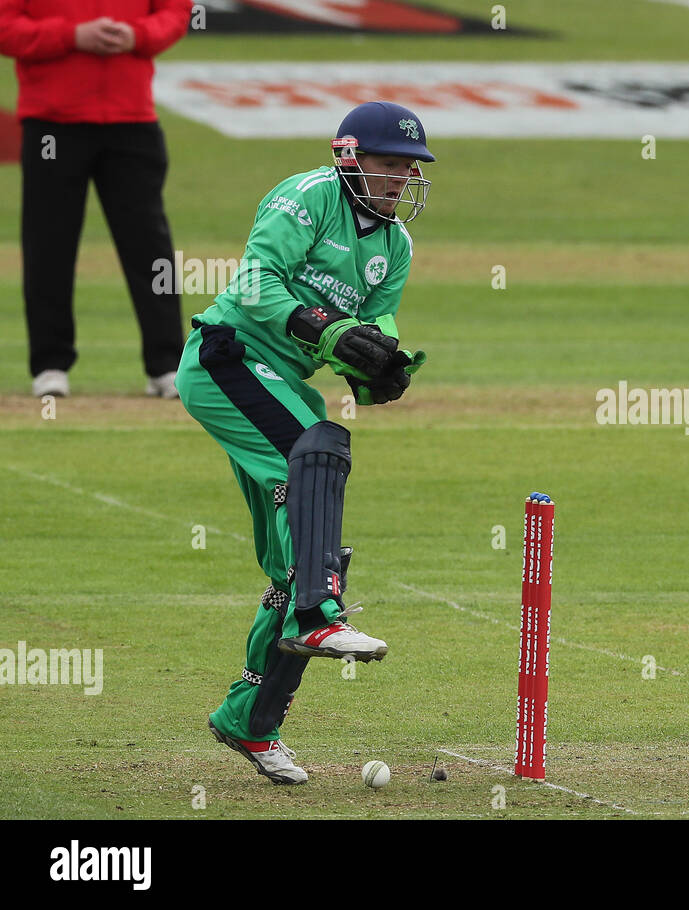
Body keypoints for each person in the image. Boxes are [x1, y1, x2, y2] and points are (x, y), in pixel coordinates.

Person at [175, 101, 434, 783]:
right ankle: (320, 615)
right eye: (389, 164)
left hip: (282, 379)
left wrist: (383, 366)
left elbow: (373, 328)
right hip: (226, 359)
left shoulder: (396, 248)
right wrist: (327, 330)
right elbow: (257, 283)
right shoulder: (307, 196)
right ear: (349, 157)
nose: (401, 179)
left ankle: (250, 721)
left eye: (410, 169)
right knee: (318, 445)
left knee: (307, 556)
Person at [0, 0, 192, 398]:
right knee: (48, 244)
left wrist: (137, 36)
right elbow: (5, 26)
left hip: (132, 120)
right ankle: (50, 364)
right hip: (51, 122)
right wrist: (71, 36)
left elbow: (176, 12)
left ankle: (168, 364)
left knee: (149, 245)